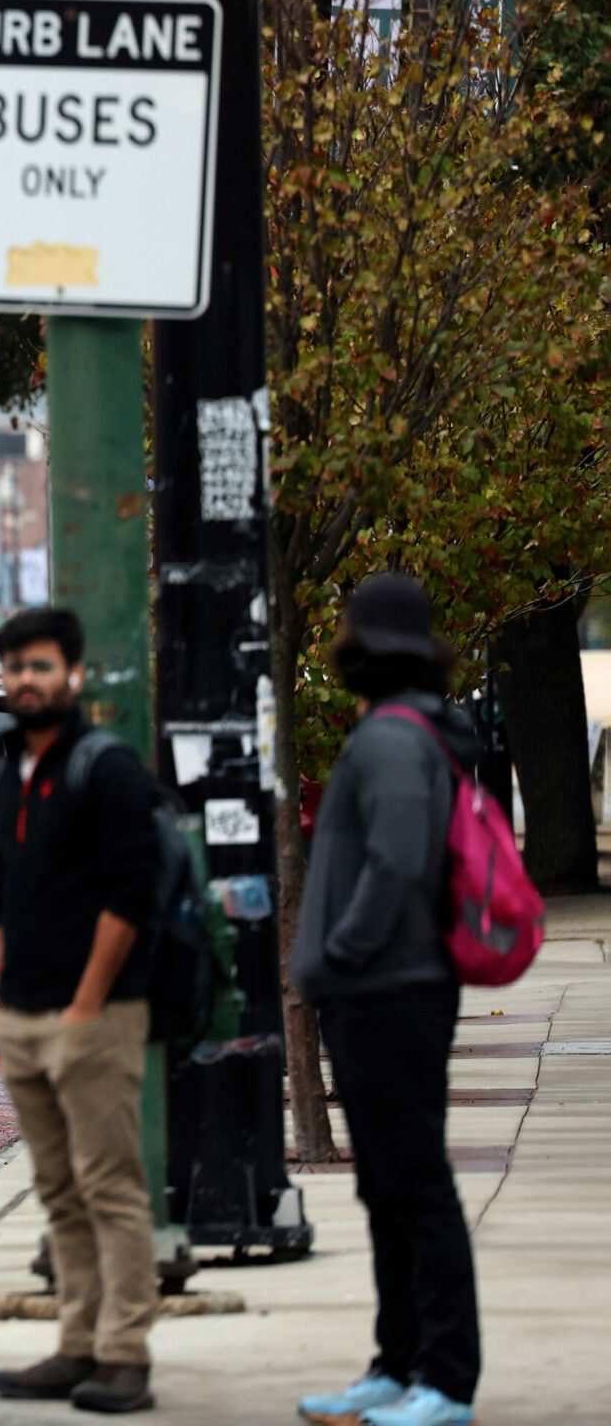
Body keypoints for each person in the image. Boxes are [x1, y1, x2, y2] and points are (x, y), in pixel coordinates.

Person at [291, 574, 481, 1426]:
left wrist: (338, 953)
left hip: (388, 991)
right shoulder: (403, 731)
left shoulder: (395, 740)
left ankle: (441, 1379)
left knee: (416, 1186)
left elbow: (397, 863)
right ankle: (398, 1364)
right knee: (392, 1187)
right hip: (388, 987)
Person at [0, 608, 163, 1416]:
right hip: (17, 1017)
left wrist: (87, 1003)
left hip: (94, 1018)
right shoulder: (4, 772)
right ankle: (76, 1345)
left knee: (109, 1188)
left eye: (42, 666)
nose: (27, 680)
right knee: (57, 1191)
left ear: (74, 676)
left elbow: (132, 897)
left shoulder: (108, 769)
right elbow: (4, 888)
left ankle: (125, 1354)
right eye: (16, 667)